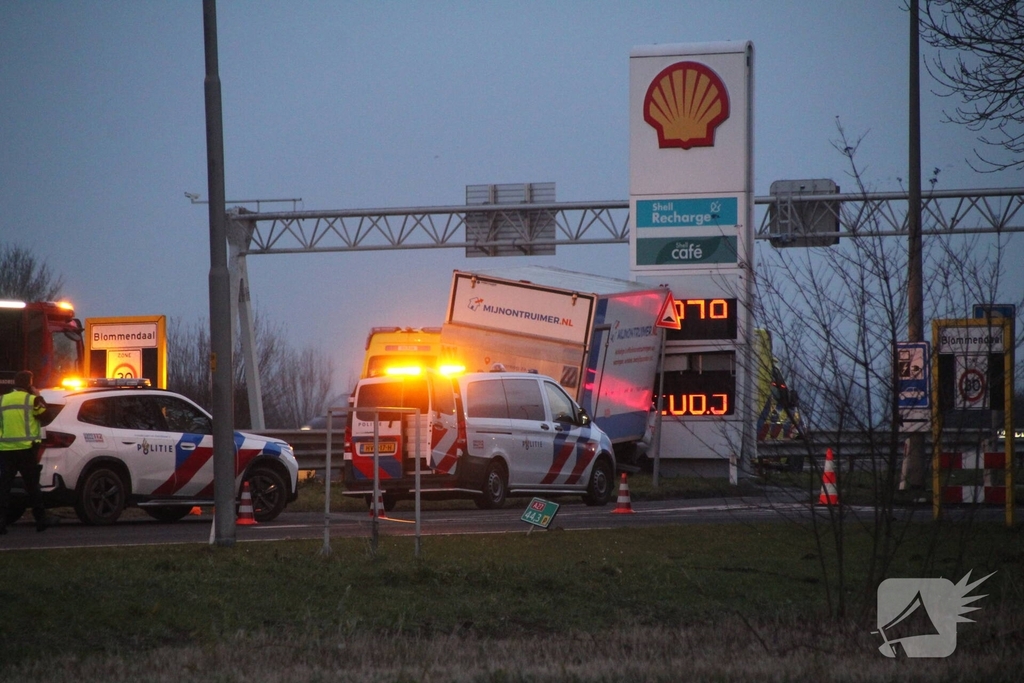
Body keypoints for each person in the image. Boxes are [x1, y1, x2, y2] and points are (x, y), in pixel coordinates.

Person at [0, 371, 57, 533]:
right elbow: (46, 417)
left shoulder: (2, 400)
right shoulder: (34, 400)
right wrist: (38, 395)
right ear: (29, 384)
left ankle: (1, 522)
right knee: (32, 486)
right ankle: (41, 519)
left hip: (5, 450)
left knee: (3, 487)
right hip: (26, 450)